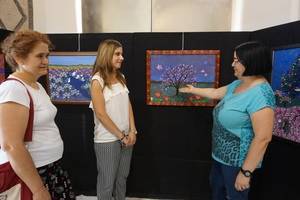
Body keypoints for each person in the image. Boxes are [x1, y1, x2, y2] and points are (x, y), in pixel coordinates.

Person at [179, 41, 275, 200]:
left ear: (252, 61)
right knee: (217, 192)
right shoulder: (239, 83)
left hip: (238, 163)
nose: (232, 64)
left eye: (237, 60)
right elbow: (215, 92)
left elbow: (263, 138)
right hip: (220, 157)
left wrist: (245, 173)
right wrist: (192, 89)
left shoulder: (261, 94)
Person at [0, 30, 75, 200]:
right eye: (40, 56)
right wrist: (39, 189)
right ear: (19, 58)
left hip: (50, 169)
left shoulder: (36, 86)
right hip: (33, 174)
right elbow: (11, 145)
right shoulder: (14, 89)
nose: (46, 61)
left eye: (47, 55)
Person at [89, 39, 137, 200]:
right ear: (106, 55)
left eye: (121, 54)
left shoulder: (121, 77)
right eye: (117, 54)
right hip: (108, 140)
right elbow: (101, 114)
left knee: (122, 178)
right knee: (107, 182)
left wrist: (132, 131)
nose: (121, 57)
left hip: (126, 137)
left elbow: (127, 104)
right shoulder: (97, 81)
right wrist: (121, 136)